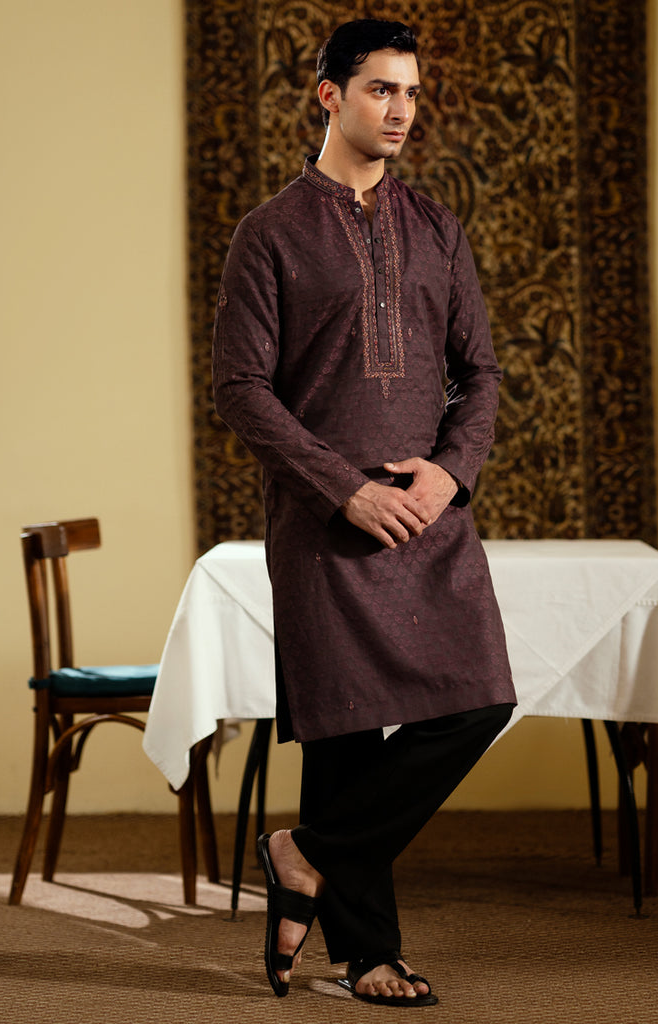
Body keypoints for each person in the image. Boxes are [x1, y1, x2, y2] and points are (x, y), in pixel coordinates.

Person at [212, 17, 516, 1007]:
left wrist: (447, 474)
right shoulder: (270, 233)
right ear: (328, 95)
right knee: (343, 736)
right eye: (381, 89)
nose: (400, 110)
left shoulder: (435, 227)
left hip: (427, 516)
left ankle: (301, 852)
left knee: (478, 702)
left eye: (410, 93)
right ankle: (367, 954)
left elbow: (479, 374)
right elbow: (240, 389)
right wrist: (342, 485)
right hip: (322, 522)